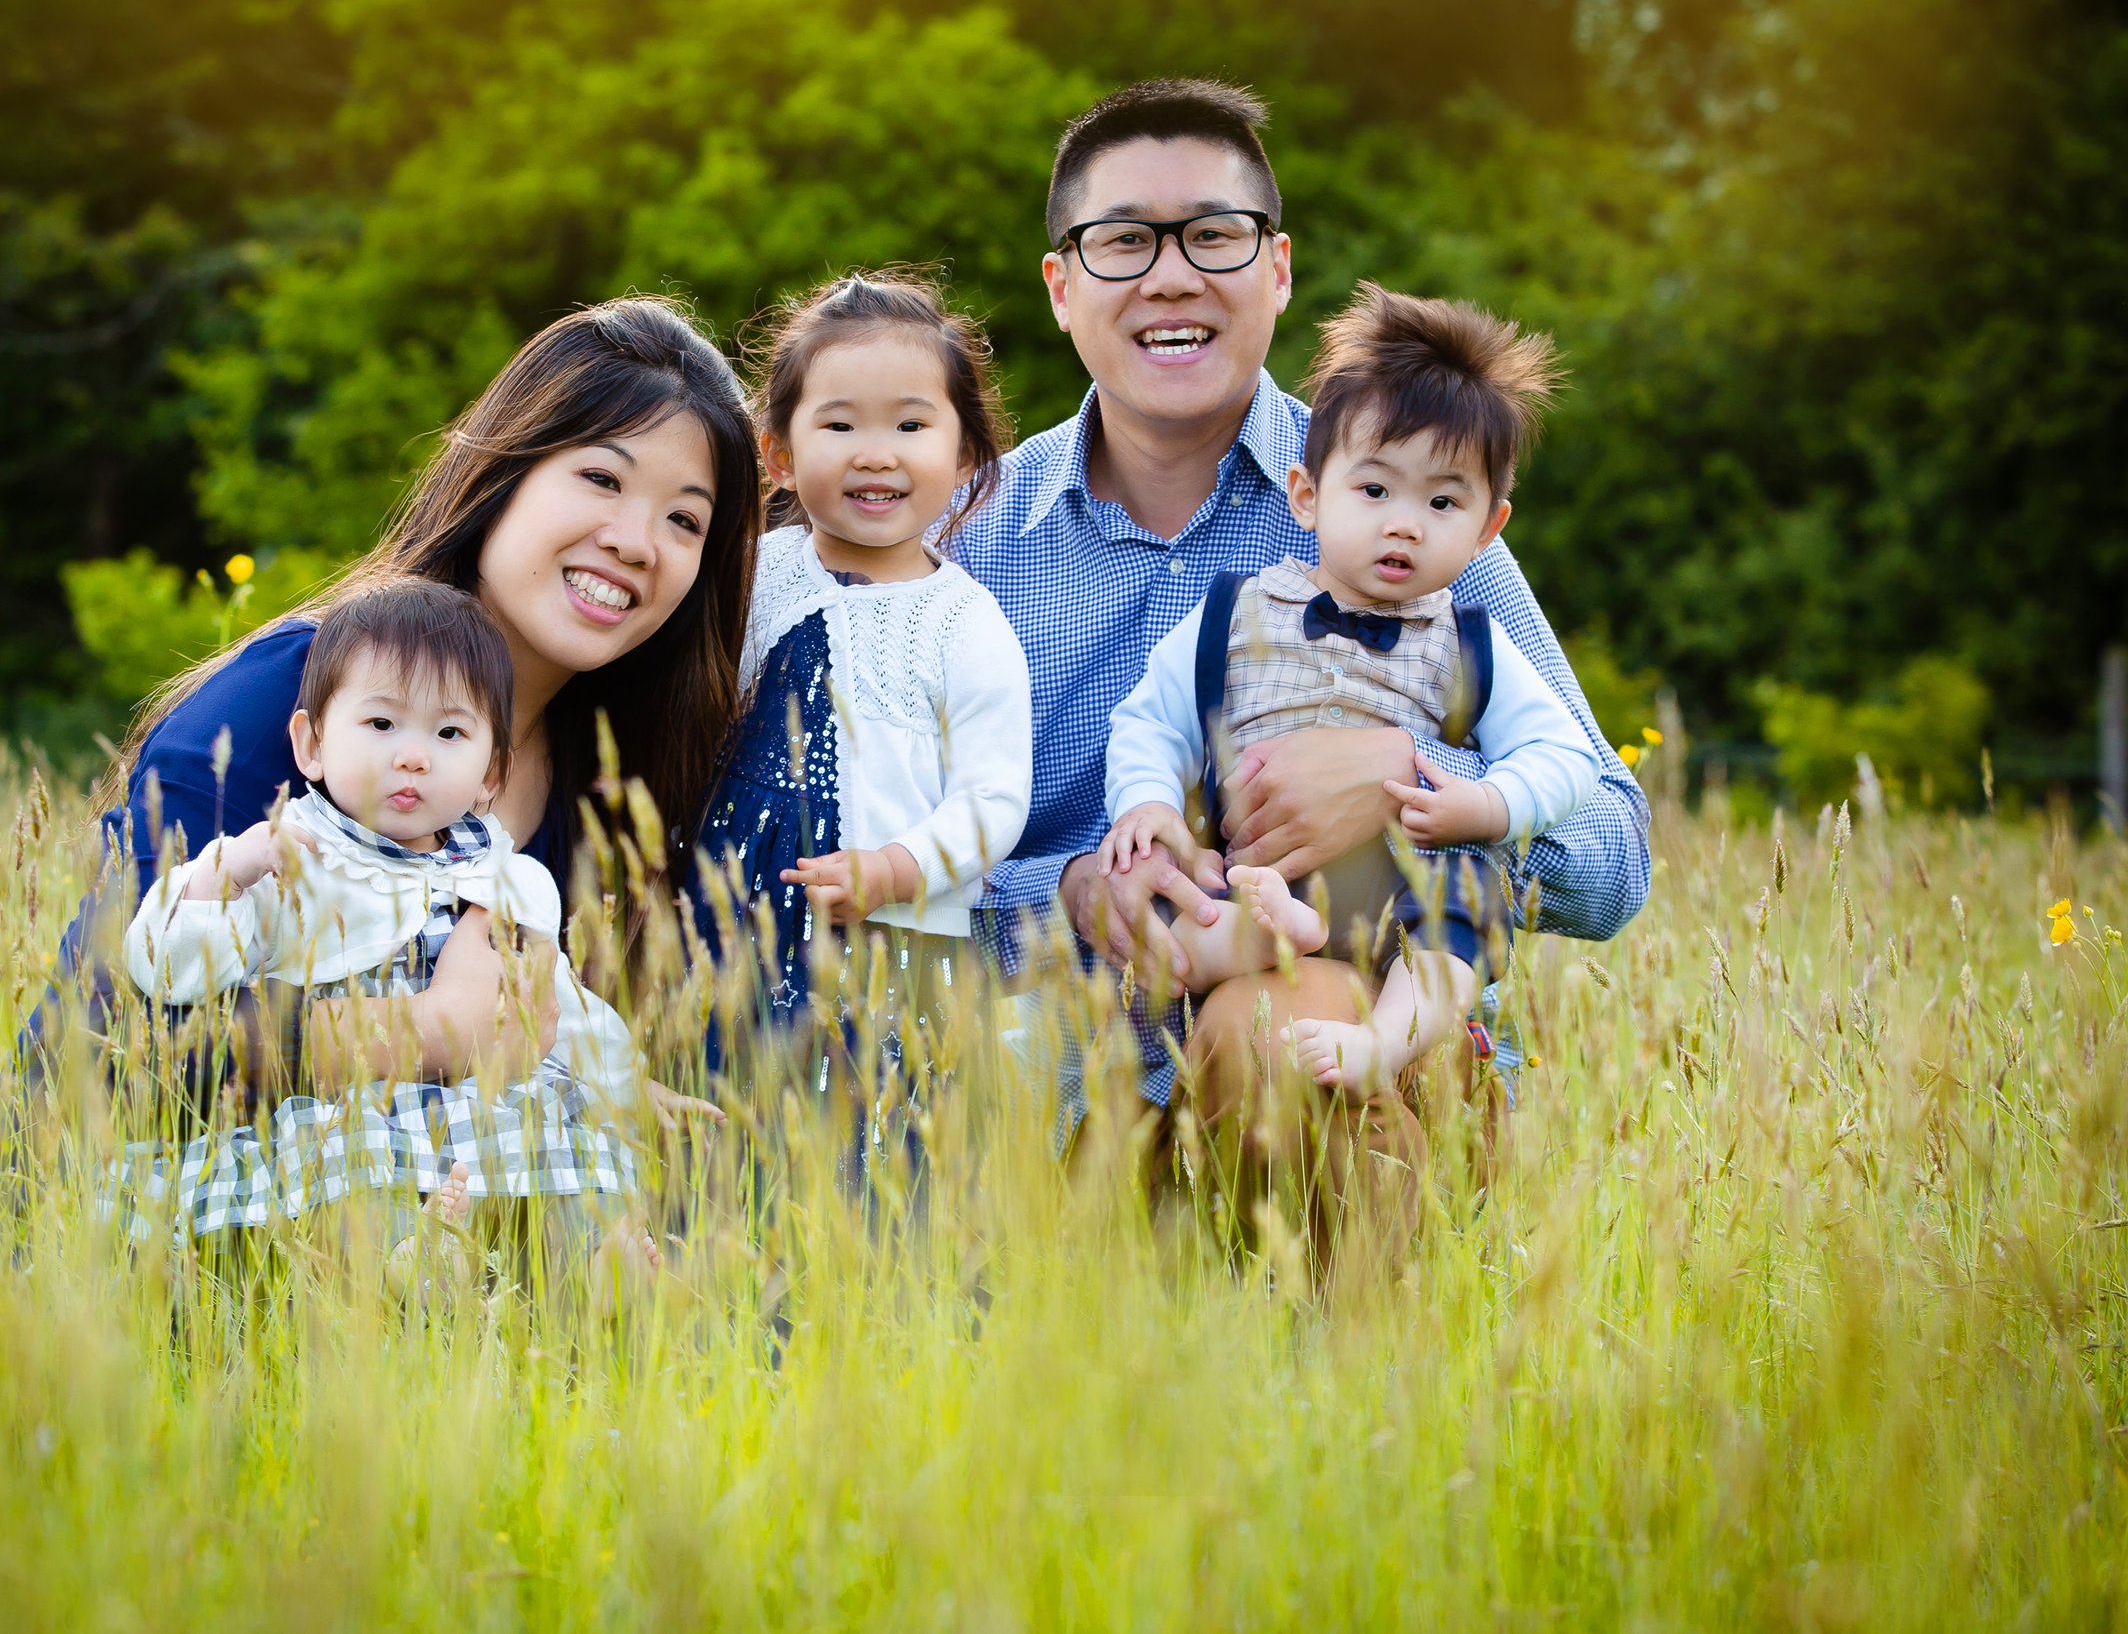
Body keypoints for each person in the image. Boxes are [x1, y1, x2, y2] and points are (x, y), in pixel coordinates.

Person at [944, 79, 1650, 1214]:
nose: (1171, 274)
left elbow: (1614, 855)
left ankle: (1351, 1376)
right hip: (1057, 1083)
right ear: (1061, 288)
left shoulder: (1410, 511)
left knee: (1277, 1025)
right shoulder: (965, 545)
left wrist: (1408, 785)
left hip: (1344, 1051)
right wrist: (1067, 891)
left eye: (1214, 236)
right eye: (1123, 241)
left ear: (1275, 269)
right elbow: (877, 868)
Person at [48, 296, 751, 1258]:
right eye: (600, 477)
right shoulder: (285, 704)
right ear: (503, 475)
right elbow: (107, 1043)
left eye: (685, 519)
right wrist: (429, 1028)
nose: (638, 540)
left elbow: (533, 1044)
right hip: (191, 1252)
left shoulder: (606, 772)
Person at [1097, 283, 1599, 1102]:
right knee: (1183, 923)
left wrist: (1485, 803)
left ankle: (1382, 1041)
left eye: (1442, 502)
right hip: (1262, 868)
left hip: (1411, 881)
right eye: (1374, 491)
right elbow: (1152, 720)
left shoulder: (1470, 639)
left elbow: (1566, 755)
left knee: (1457, 929)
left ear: (1487, 529)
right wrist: (1146, 802)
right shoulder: (1237, 609)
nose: (1404, 522)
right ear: (1307, 496)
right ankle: (1271, 938)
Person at [121, 578, 656, 1288]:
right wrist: (225, 873)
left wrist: (630, 1087)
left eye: (449, 733)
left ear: (491, 770)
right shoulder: (291, 853)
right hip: (350, 1099)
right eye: (382, 725)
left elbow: (564, 1010)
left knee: (557, 1150)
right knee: (353, 1172)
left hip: (482, 1107)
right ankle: (405, 1265)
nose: (413, 756)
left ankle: (590, 1266)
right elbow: (168, 968)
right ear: (310, 744)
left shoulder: (501, 876)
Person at [687, 273, 1032, 1156]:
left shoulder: (965, 622)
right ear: (778, 456)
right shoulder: (752, 571)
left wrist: (894, 867)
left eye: (911, 426)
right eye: (839, 425)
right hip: (732, 911)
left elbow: (996, 800)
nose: (875, 452)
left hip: (884, 935)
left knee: (867, 1136)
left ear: (964, 460)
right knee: (725, 1108)